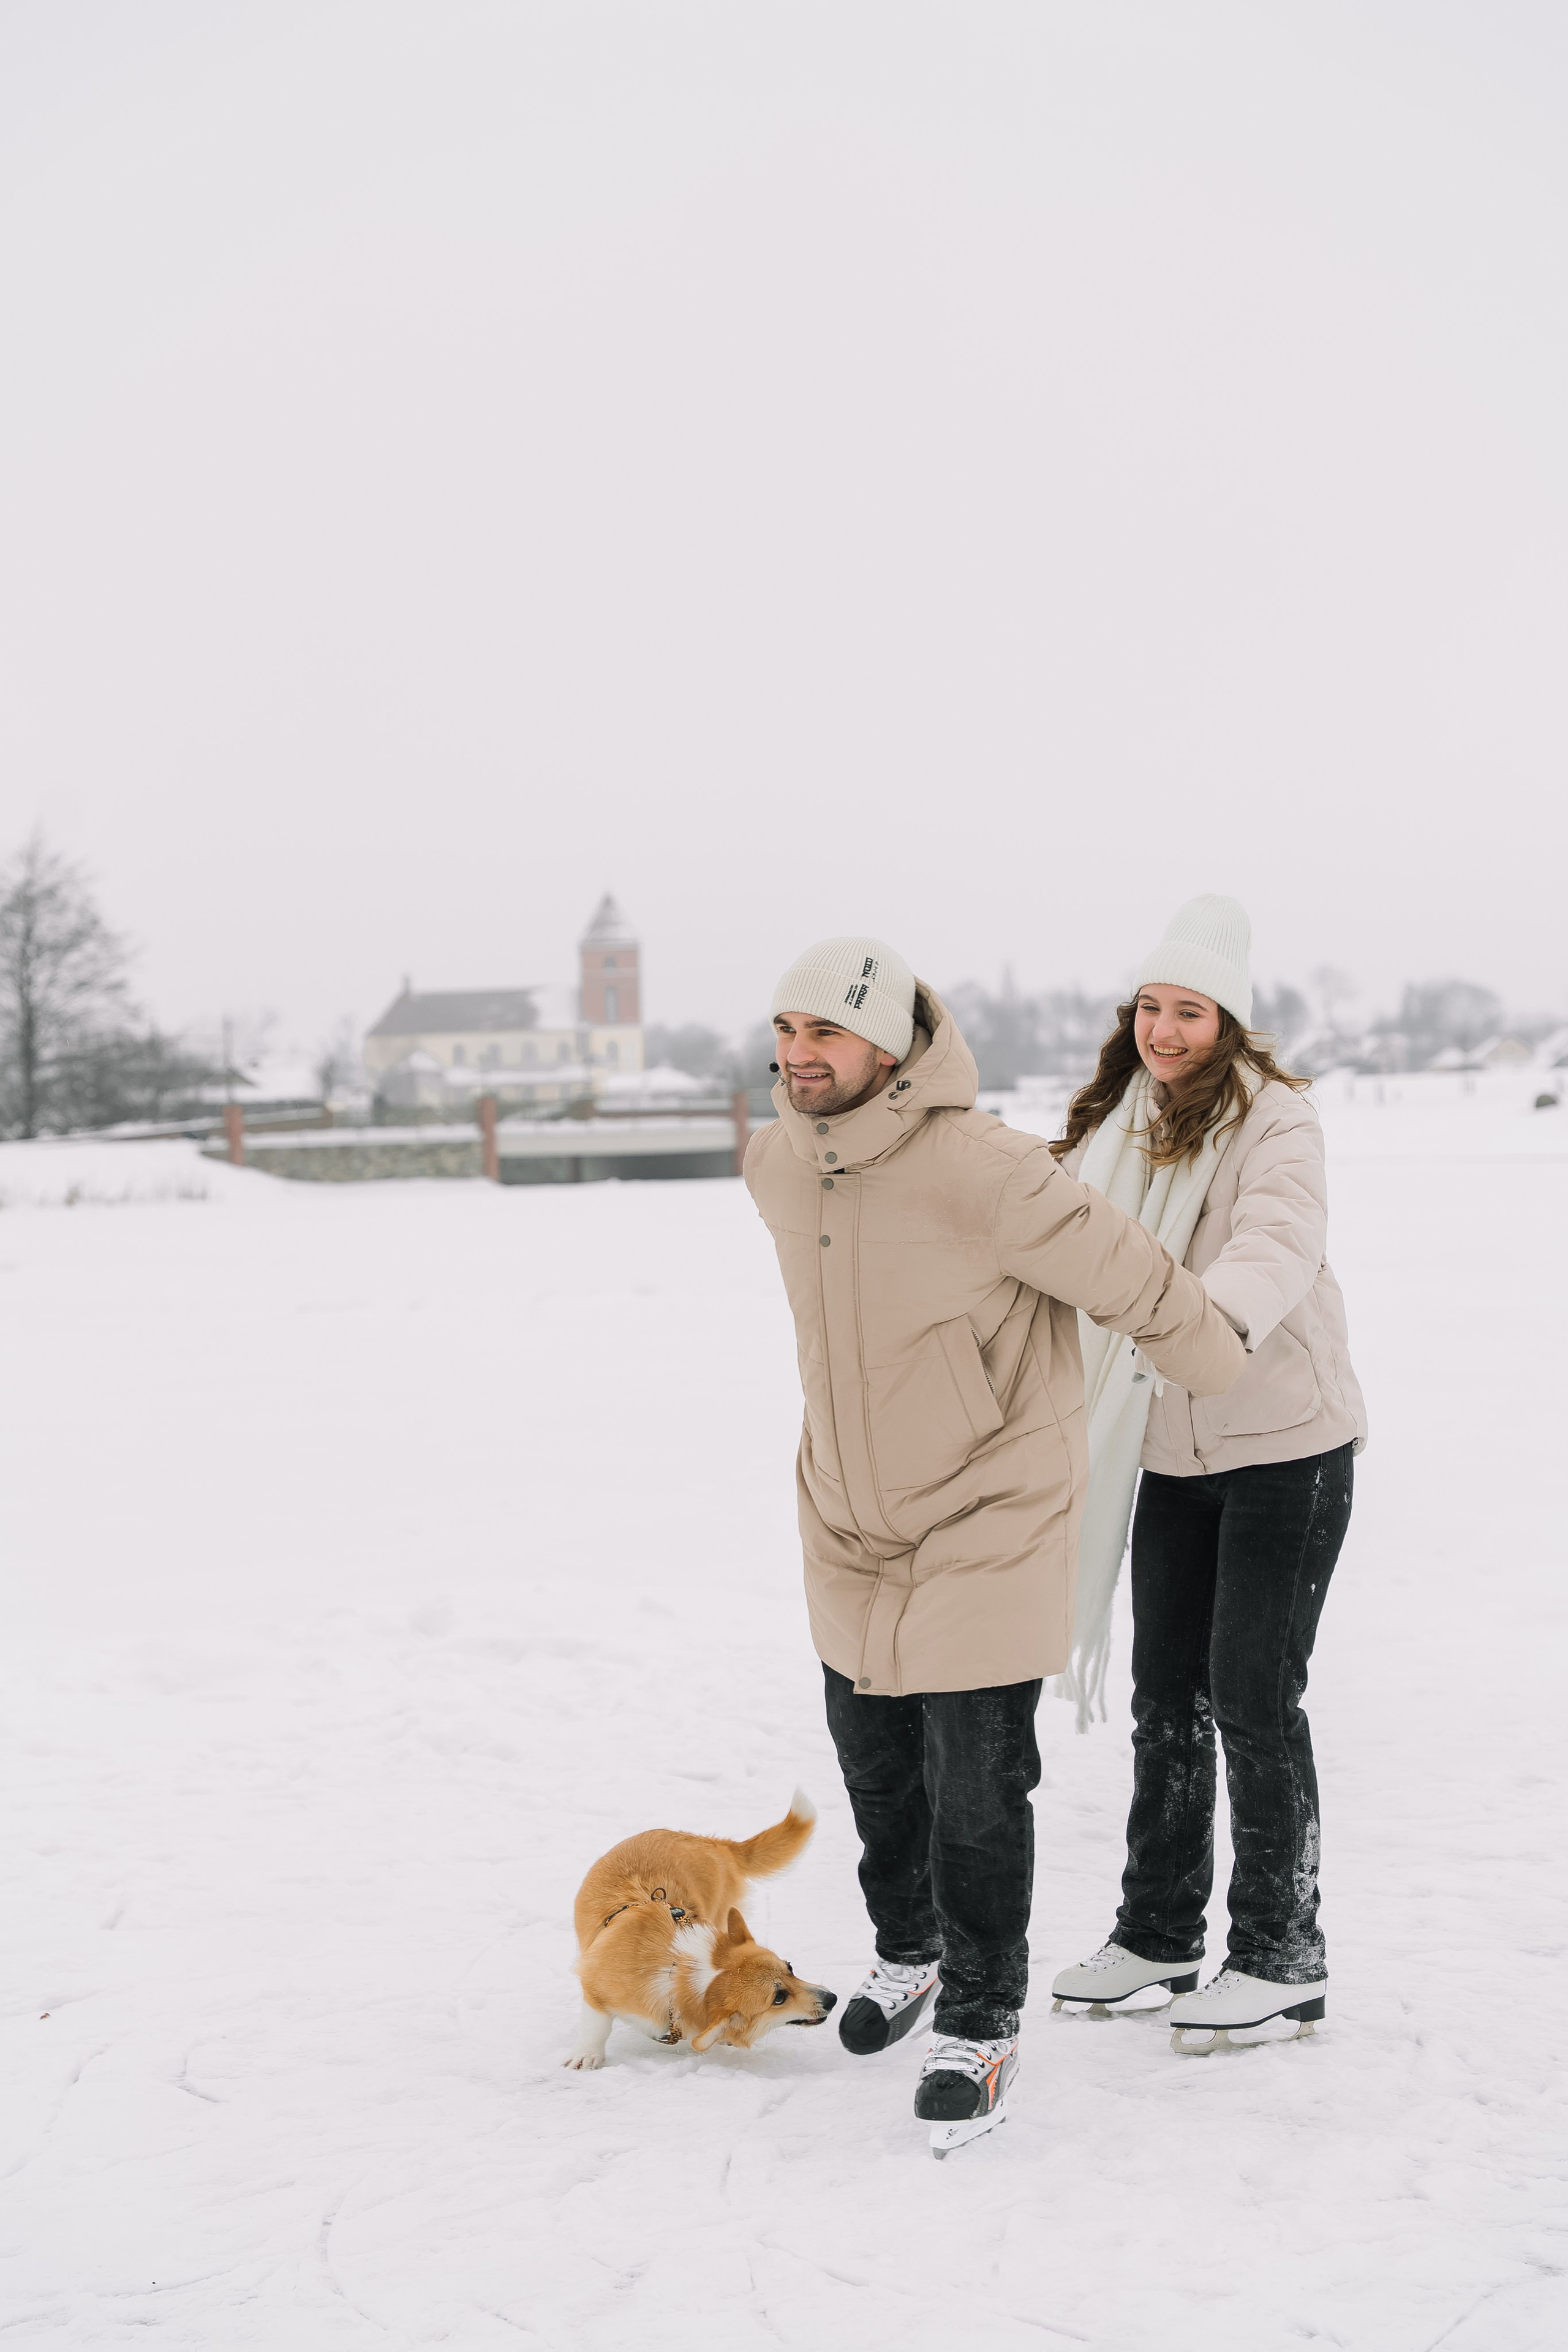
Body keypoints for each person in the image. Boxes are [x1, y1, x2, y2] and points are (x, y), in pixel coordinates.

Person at [742, 935, 1246, 2150]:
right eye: (785, 1033)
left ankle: (978, 2015)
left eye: (823, 1034)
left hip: (986, 1509)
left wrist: (1224, 1377)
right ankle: (908, 1953)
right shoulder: (774, 1162)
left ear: (889, 1044)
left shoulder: (988, 1171)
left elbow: (1130, 1275)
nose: (796, 1057)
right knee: (875, 1767)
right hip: (848, 1512)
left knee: (975, 1787)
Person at [1048, 895, 1366, 2049]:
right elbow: (1062, 1235)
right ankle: (1160, 1934)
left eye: (1190, 1011)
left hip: (1287, 1447)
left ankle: (1283, 1952)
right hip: (1171, 1446)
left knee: (1250, 1698)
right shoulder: (1121, 1125)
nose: (1165, 1031)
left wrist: (1209, 1324)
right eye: (1150, 1007)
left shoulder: (1278, 1121)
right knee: (1163, 1698)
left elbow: (1272, 1242)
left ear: (1228, 1021)